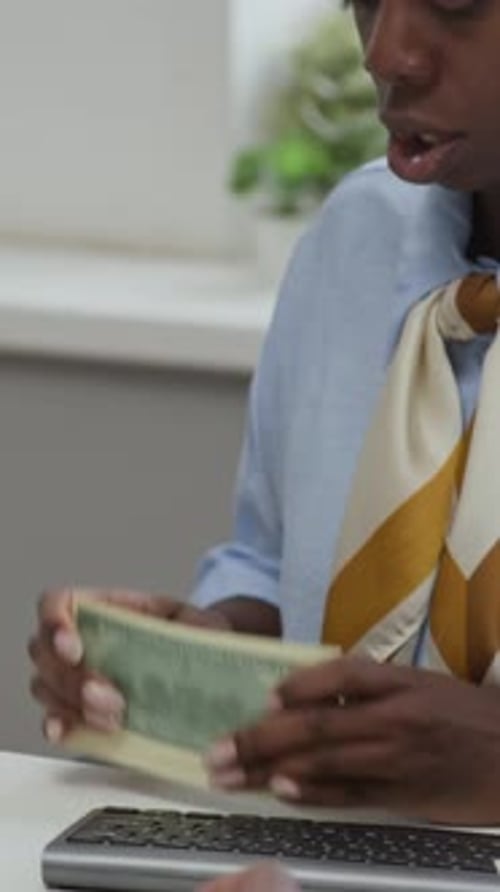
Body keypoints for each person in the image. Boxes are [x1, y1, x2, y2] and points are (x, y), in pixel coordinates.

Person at [28, 2, 500, 869]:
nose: (386, 53)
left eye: (456, 3)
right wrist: (191, 659)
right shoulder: (358, 234)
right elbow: (274, 561)